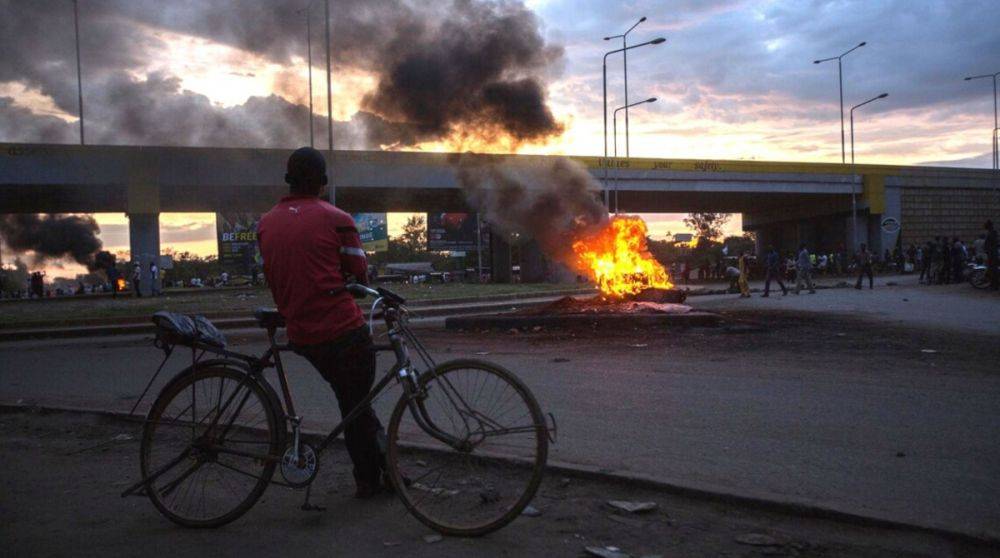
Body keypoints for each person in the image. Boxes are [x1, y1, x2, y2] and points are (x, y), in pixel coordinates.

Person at [258, 147, 387, 498]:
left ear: (289, 181)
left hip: (300, 331)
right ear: (322, 182)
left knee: (353, 400)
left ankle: (382, 470)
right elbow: (359, 276)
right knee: (357, 405)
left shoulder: (266, 222)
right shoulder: (337, 218)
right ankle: (370, 481)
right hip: (341, 330)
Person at [986, 220, 998, 290]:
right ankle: (993, 284)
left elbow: (993, 244)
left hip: (992, 254)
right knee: (992, 270)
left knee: (993, 270)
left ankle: (994, 285)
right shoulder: (991, 233)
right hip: (991, 254)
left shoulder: (992, 233)